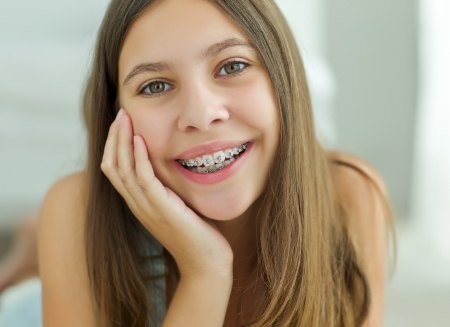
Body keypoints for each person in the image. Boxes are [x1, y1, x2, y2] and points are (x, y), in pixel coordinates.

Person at [38, 0, 393, 326]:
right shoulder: (75, 211)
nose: (201, 115)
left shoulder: (350, 195)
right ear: (115, 116)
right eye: (155, 87)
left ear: (282, 75)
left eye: (233, 66)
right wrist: (205, 272)